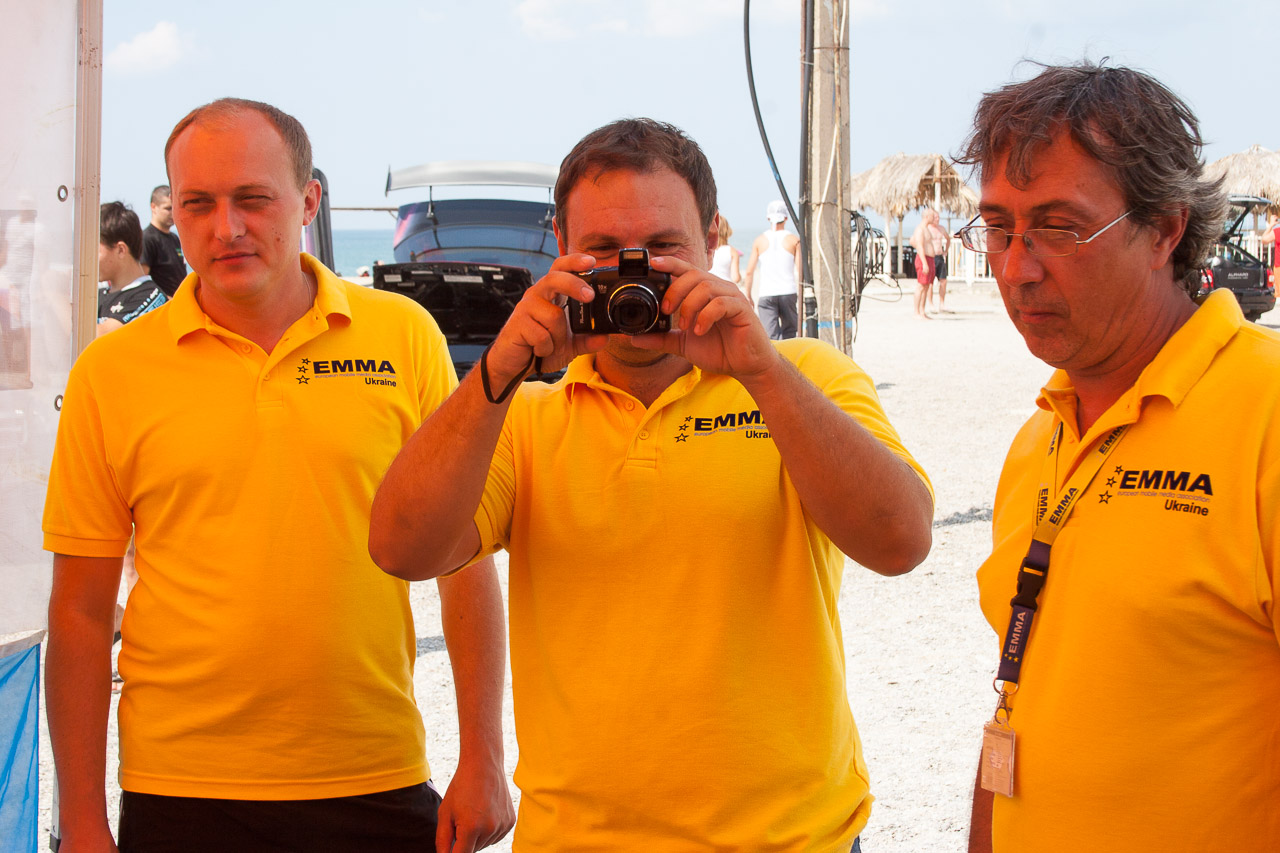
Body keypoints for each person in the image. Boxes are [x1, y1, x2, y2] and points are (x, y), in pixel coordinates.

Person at [368, 117, 935, 851]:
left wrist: (760, 370)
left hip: (793, 837)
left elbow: (900, 541)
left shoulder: (804, 377)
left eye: (663, 248)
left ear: (713, 238)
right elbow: (401, 548)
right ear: (560, 248)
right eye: (603, 251)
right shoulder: (524, 416)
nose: (634, 275)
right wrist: (498, 370)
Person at [43, 98, 514, 853]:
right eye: (197, 204)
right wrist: (81, 821)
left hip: (374, 772)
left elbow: (465, 564)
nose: (226, 227)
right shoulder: (111, 372)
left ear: (309, 200)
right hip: (180, 790)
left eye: (253, 199)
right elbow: (79, 612)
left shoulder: (403, 337)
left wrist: (484, 756)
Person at [956, 62, 1280, 852]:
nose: (1016, 268)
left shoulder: (1264, 412)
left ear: (1165, 228)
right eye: (998, 228)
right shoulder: (1041, 436)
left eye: (1059, 228)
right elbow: (1021, 699)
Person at [97, 201, 167, 337]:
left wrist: (56, 293)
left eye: (96, 250)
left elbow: (99, 337)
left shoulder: (151, 297)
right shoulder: (98, 294)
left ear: (121, 250)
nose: (89, 258)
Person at [744, 198, 802, 338]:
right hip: (788, 292)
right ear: (786, 218)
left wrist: (748, 295)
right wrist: (801, 294)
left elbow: (749, 272)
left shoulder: (759, 241)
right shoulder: (794, 240)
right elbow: (800, 271)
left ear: (768, 218)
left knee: (771, 338)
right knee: (790, 334)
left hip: (766, 293)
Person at [139, 185, 187, 297]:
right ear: (153, 207)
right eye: (168, 208)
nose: (172, 213)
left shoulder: (174, 238)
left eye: (175, 208)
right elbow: (143, 280)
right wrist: (165, 299)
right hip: (163, 303)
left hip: (179, 301)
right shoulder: (147, 238)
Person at [908, 208, 947, 319]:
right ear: (926, 217)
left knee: (926, 286)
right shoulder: (920, 229)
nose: (934, 218)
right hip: (923, 259)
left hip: (930, 258)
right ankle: (916, 312)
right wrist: (924, 262)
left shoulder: (926, 229)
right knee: (921, 286)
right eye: (932, 216)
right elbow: (919, 245)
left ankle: (922, 311)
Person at [708, 212, 741, 290]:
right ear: (727, 230)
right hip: (726, 290)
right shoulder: (732, 251)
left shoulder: (706, 249)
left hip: (709, 287)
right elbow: (735, 278)